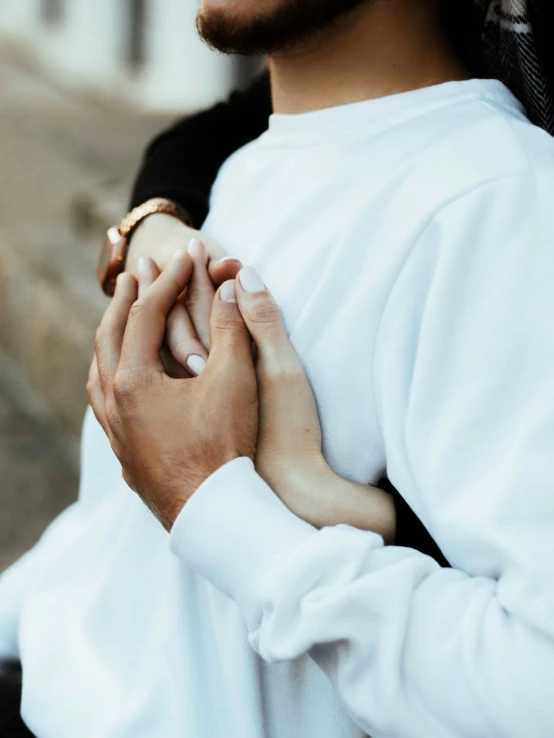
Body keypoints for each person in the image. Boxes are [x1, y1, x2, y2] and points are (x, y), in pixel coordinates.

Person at [3, 1, 554, 737]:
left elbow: (532, 691)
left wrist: (209, 500)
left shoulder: (497, 203)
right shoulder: (232, 175)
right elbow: (114, 551)